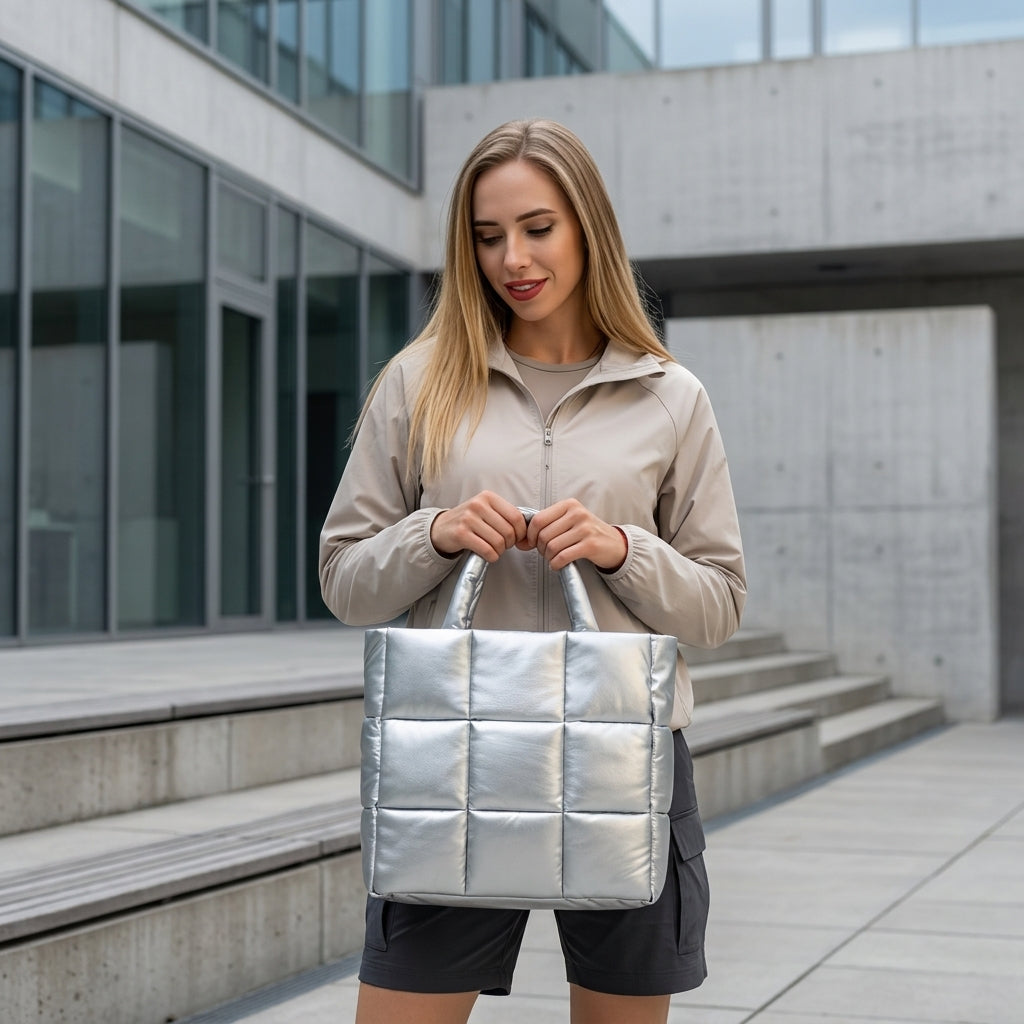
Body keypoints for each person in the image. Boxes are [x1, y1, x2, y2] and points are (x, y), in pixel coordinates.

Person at [319, 118, 746, 1024]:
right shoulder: (419, 381)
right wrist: (432, 535)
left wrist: (623, 549)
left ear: (588, 225)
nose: (512, 257)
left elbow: (719, 607)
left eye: (538, 227)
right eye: (486, 235)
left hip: (625, 754)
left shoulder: (671, 397)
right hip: (456, 751)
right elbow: (343, 579)